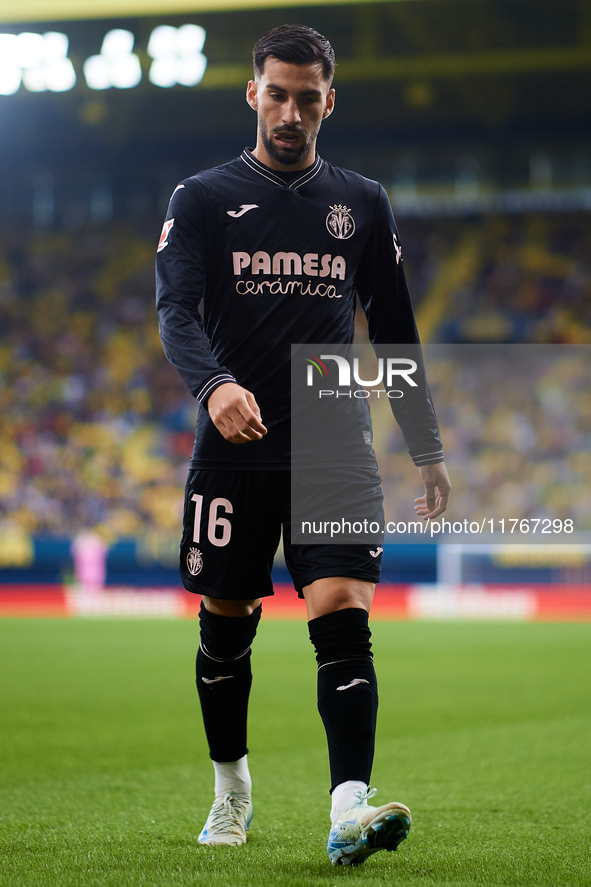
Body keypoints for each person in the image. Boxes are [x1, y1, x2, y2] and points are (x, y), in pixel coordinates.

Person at [156, 23, 451, 866]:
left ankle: (348, 807)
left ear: (330, 99)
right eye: (276, 93)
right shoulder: (204, 196)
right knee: (227, 619)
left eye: (306, 95)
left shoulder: (361, 201)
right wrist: (215, 386)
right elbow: (174, 310)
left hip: (331, 435)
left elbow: (392, 328)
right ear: (253, 94)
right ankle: (231, 788)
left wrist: (424, 444)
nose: (290, 110)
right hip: (234, 441)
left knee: (343, 612)